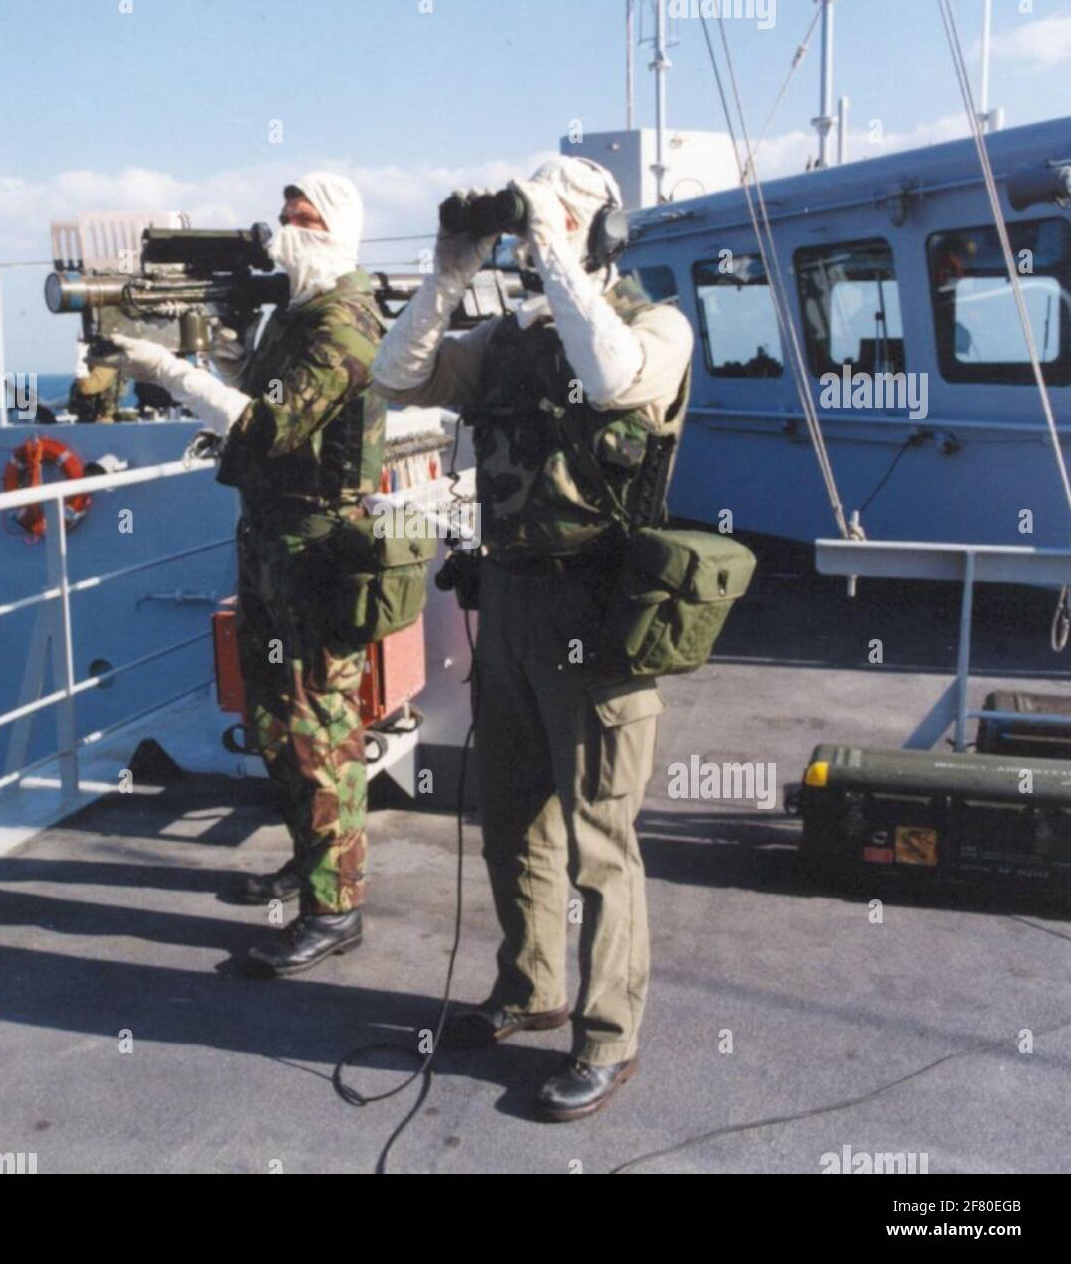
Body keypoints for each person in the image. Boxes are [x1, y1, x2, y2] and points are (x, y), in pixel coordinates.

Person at [371, 157, 694, 1121]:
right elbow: (396, 377)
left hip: (597, 608)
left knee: (599, 839)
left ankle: (607, 1037)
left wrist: (554, 243)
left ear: (604, 231)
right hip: (510, 602)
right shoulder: (507, 342)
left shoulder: (656, 328)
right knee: (511, 818)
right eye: (532, 216)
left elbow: (610, 379)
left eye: (561, 216)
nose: (534, 232)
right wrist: (448, 271)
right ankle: (529, 986)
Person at [102, 173, 386, 976]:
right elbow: (256, 392)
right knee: (274, 721)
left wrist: (170, 372)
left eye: (306, 218)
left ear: (339, 231)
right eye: (285, 215)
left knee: (317, 727)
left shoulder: (344, 322)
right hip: (271, 537)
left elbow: (270, 427)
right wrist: (225, 353)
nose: (288, 229)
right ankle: (312, 861)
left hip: (316, 547)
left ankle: (336, 909)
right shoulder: (296, 313)